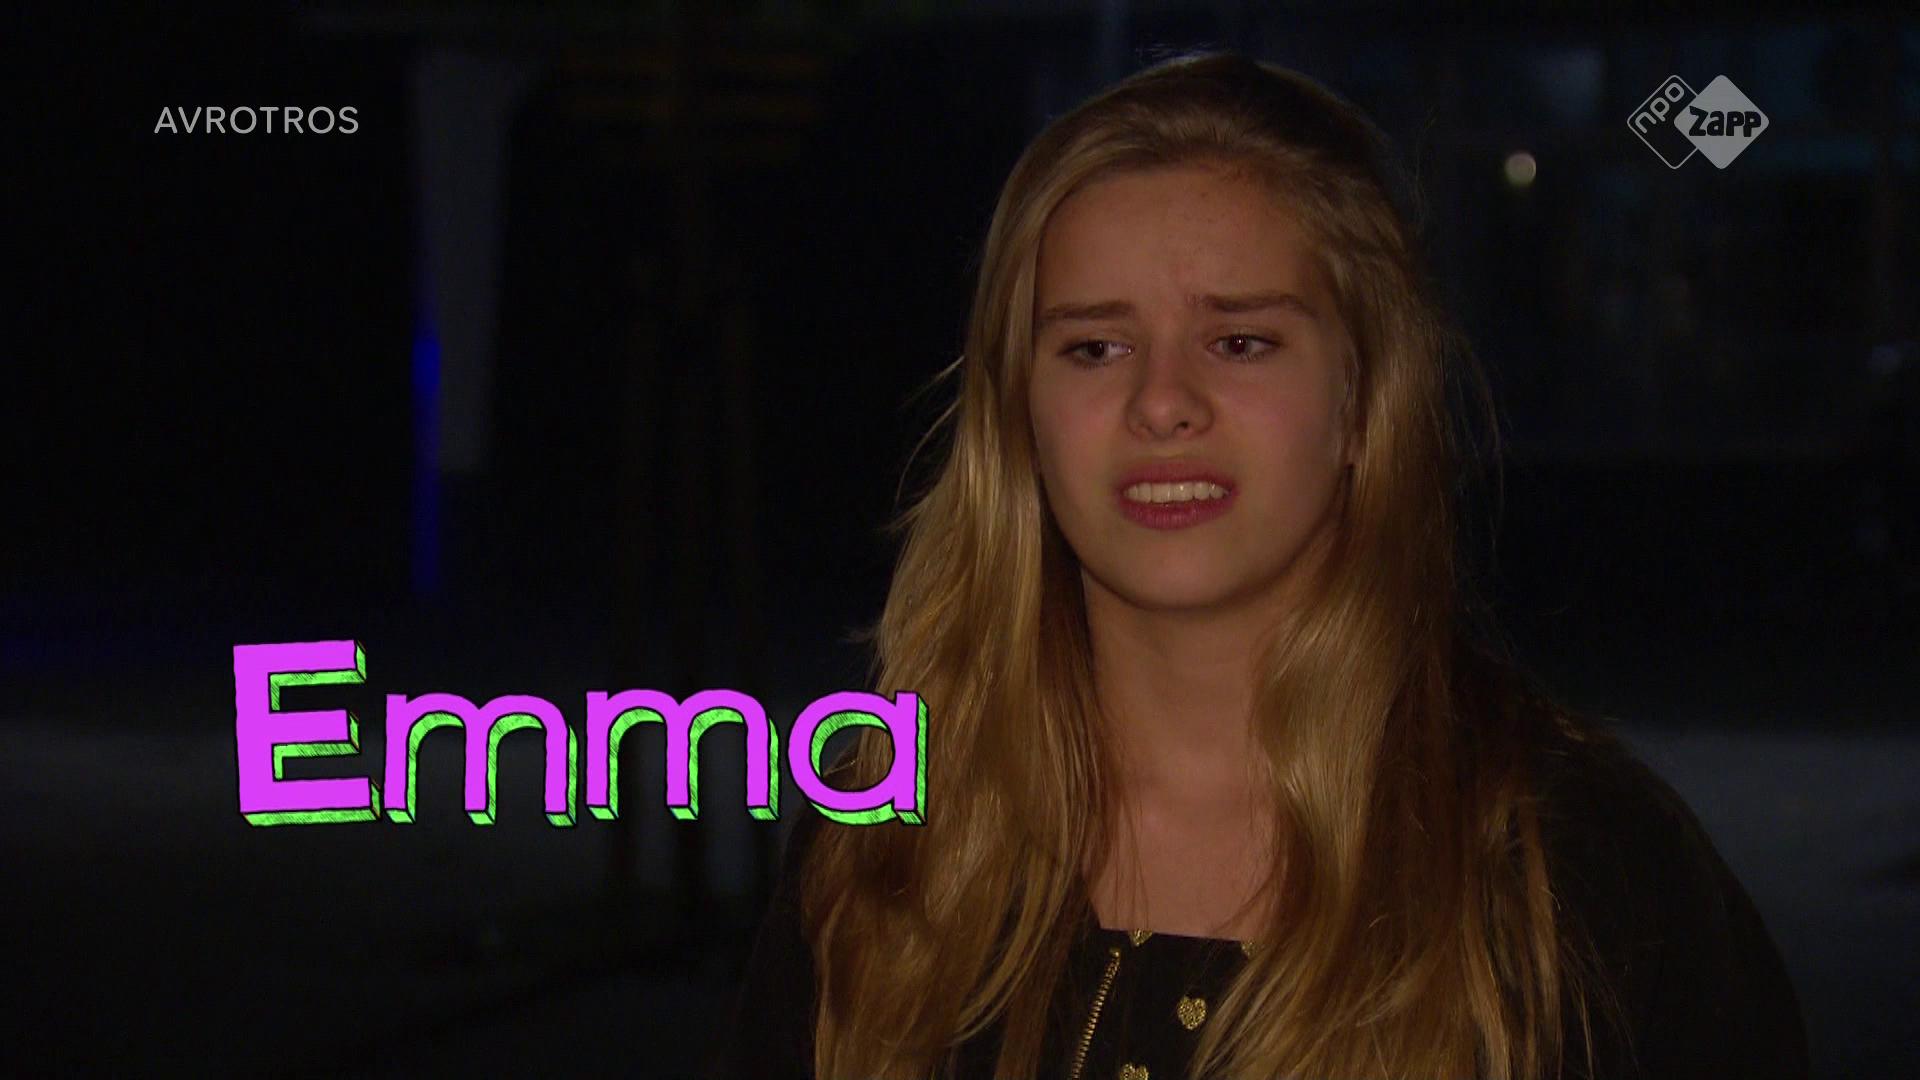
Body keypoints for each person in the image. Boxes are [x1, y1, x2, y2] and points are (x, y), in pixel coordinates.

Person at [711, 51, 1807, 1080]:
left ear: (1364, 400)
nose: (1161, 403)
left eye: (1240, 341)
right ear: (1020, 418)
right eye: (1094, 346)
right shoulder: (888, 847)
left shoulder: (1578, 871)